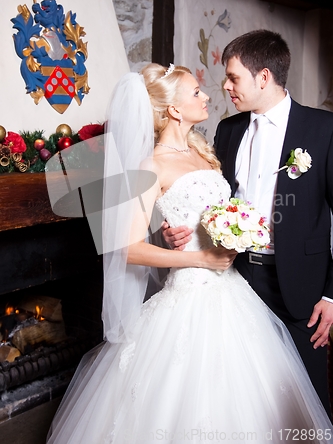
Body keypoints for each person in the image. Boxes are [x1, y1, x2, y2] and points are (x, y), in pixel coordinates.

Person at [46, 62, 333, 443]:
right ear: (175, 110)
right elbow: (128, 249)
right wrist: (196, 257)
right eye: (196, 92)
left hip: (234, 291)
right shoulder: (150, 165)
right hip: (188, 294)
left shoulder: (207, 152)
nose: (208, 95)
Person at [162, 30, 333, 416]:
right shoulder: (229, 129)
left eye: (233, 77)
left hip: (300, 287)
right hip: (233, 280)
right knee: (241, 399)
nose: (225, 86)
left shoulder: (324, 130)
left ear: (264, 77)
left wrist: (332, 295)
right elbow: (211, 200)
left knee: (303, 401)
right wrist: (177, 230)